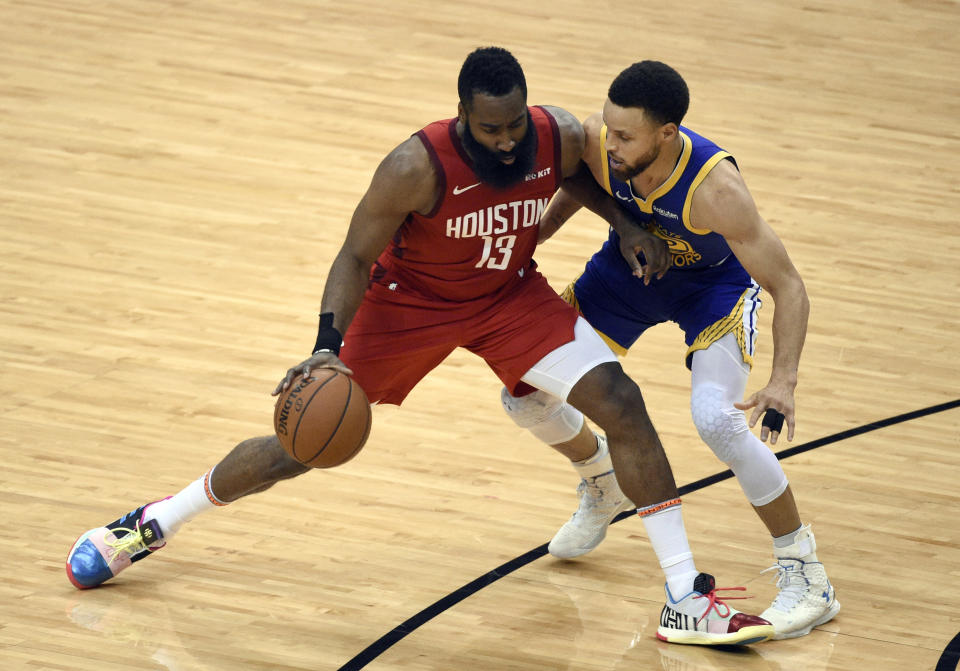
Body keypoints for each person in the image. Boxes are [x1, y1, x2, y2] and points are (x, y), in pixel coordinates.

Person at [65, 47, 775, 646]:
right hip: (410, 306)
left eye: (514, 127)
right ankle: (152, 522)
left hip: (507, 298)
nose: (507, 143)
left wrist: (626, 223)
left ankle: (684, 594)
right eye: (491, 129)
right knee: (300, 443)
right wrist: (324, 346)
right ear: (462, 114)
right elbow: (351, 255)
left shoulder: (552, 132)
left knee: (621, 399)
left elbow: (580, 175)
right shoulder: (415, 165)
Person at [502, 60, 839, 640]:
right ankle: (601, 480)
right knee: (523, 395)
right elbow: (575, 187)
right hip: (625, 273)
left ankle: (807, 574)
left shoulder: (717, 190)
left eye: (625, 135)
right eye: (609, 128)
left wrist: (784, 381)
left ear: (667, 134)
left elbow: (789, 286)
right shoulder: (602, 142)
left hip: (711, 290)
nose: (609, 143)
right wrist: (524, 248)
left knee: (718, 421)